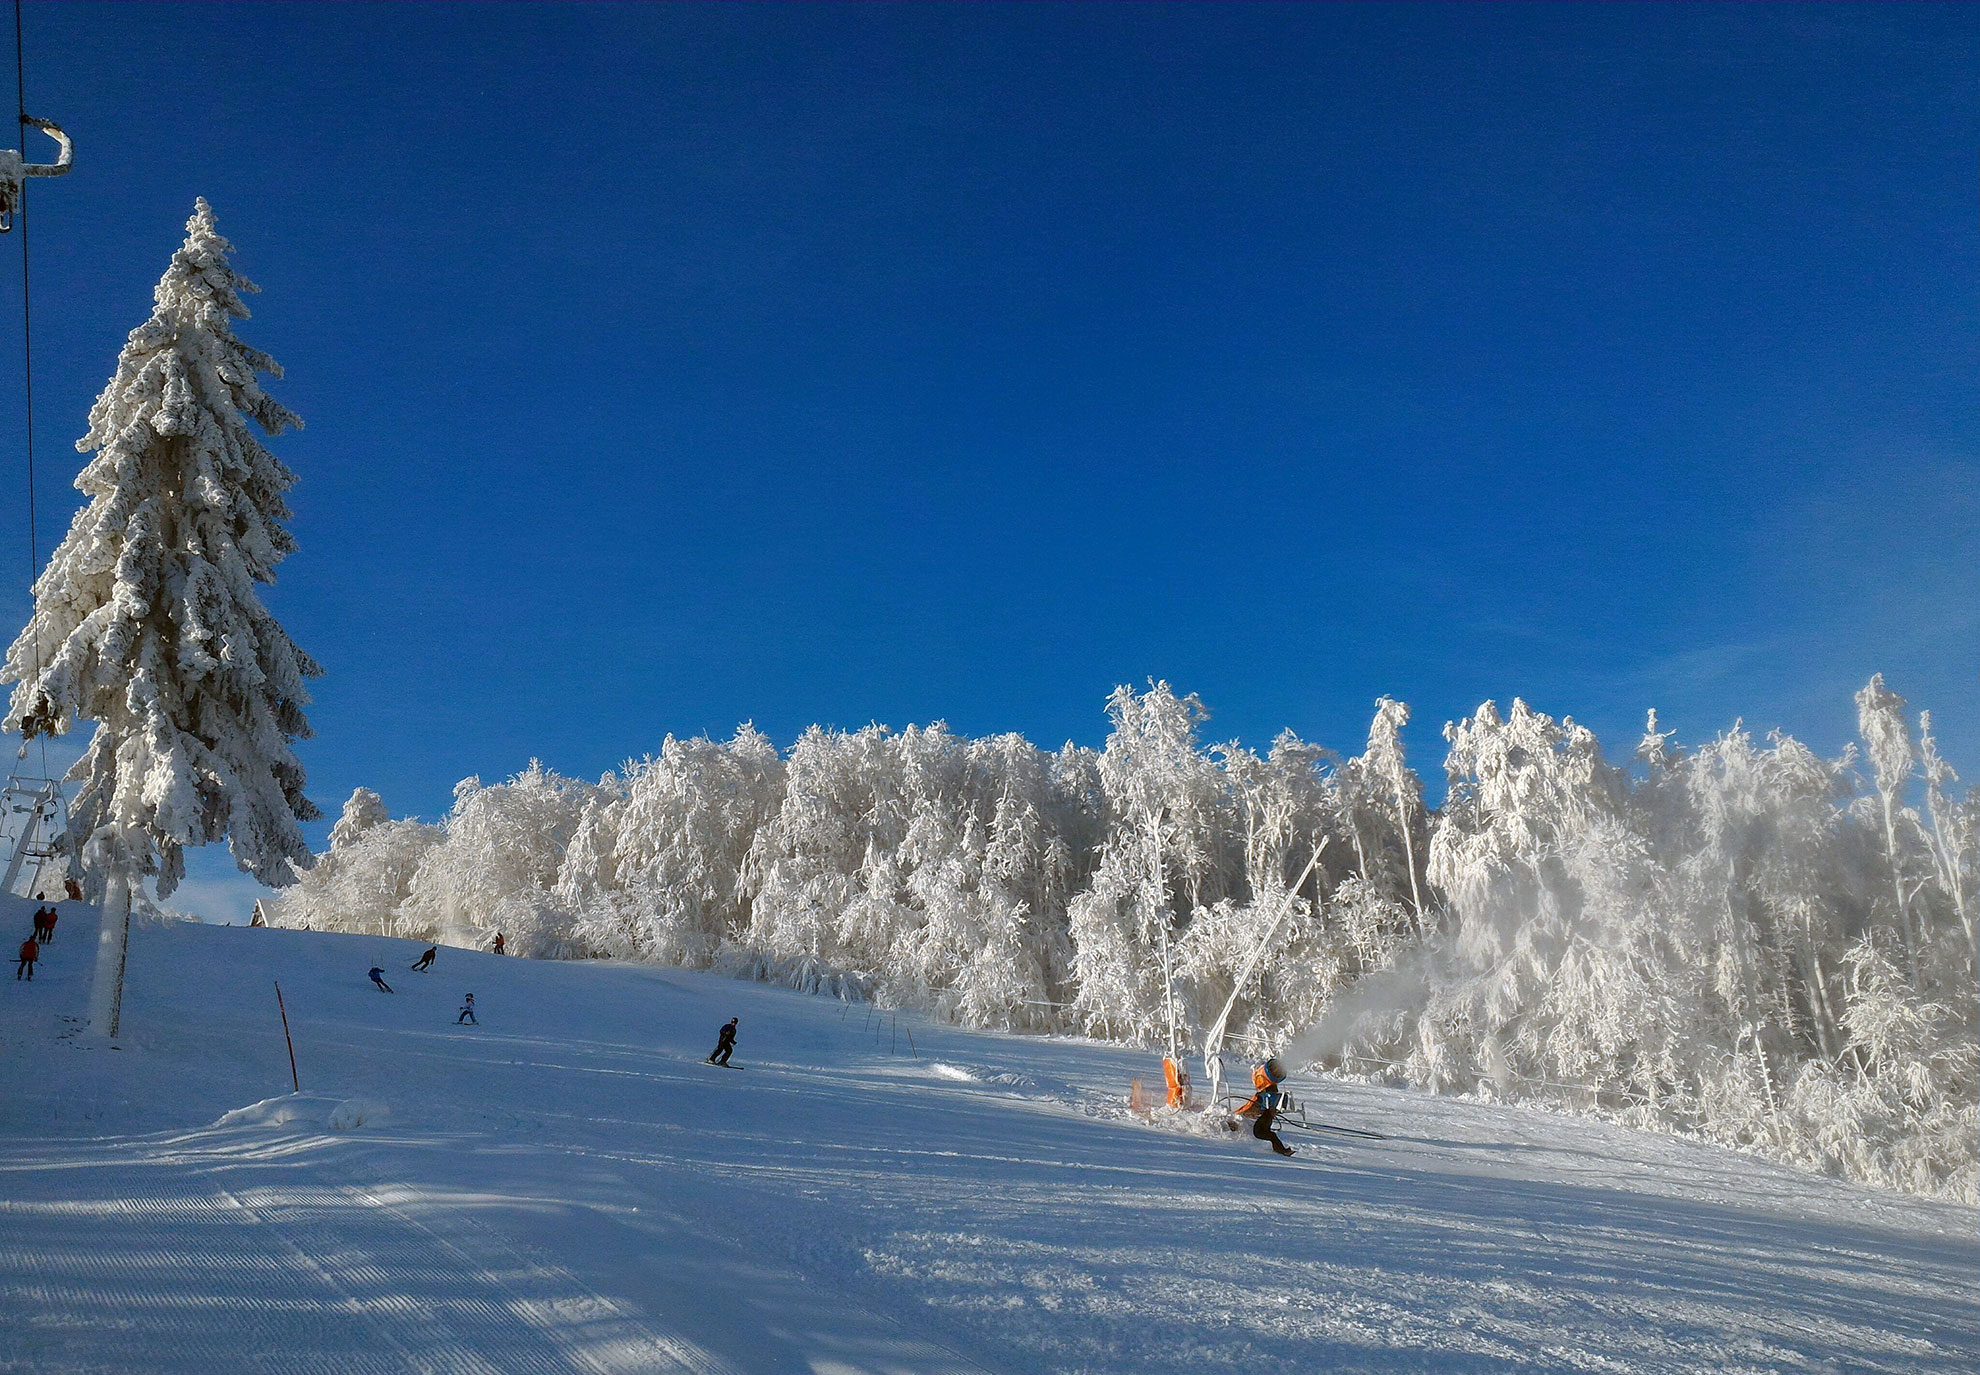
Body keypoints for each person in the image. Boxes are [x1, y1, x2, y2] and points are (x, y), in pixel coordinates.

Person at [1226, 1057, 1294, 1157]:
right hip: (1262, 1123)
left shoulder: (1264, 1096)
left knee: (1268, 1135)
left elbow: (1248, 1108)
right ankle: (1282, 1150)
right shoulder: (1270, 1093)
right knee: (1271, 1135)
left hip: (1260, 1126)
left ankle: (1282, 1150)